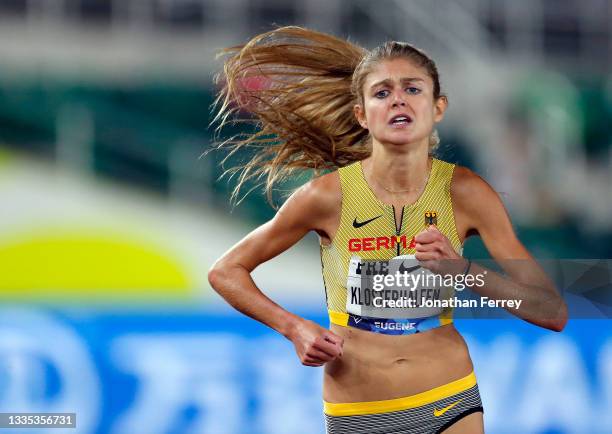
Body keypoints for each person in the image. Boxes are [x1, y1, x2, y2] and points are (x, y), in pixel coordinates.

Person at [207, 26, 567, 434]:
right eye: (382, 92)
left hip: (449, 398)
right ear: (361, 113)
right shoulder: (325, 197)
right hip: (358, 412)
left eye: (413, 89)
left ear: (438, 107)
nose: (398, 98)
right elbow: (225, 271)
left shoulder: (466, 193)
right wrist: (294, 328)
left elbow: (551, 311)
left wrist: (462, 271)